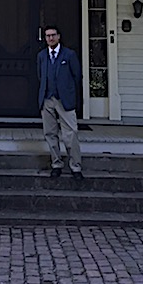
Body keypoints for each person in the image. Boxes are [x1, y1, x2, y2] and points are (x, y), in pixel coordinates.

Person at [37, 25, 83, 180]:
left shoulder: (69, 55)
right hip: (47, 99)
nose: (50, 38)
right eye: (47, 36)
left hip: (64, 100)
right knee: (50, 134)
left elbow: (77, 76)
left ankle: (75, 166)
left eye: (53, 35)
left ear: (58, 36)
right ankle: (56, 164)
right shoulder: (42, 56)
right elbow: (40, 75)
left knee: (70, 134)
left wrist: (68, 93)